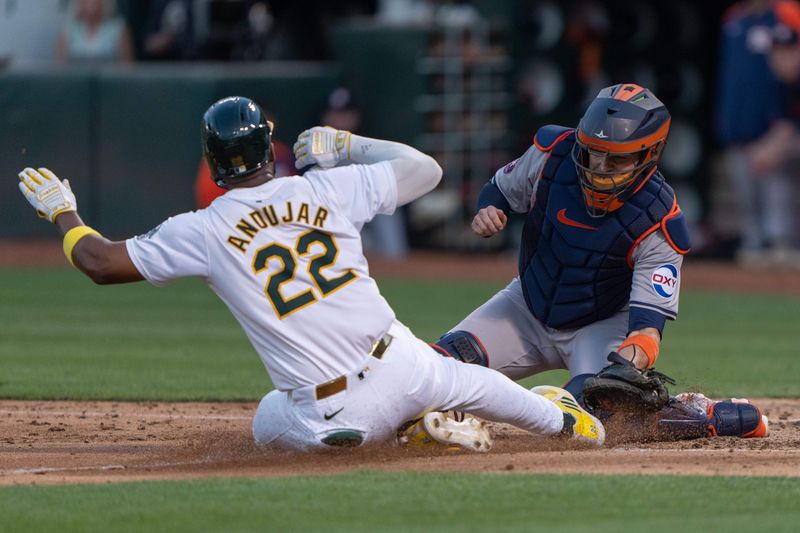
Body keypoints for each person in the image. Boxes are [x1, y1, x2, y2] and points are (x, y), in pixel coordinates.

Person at [16, 96, 605, 452]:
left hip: (336, 413)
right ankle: (568, 425)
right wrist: (349, 144)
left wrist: (63, 212)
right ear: (270, 150)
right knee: (481, 388)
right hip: (405, 361)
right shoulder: (325, 187)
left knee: (266, 421)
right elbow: (425, 171)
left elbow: (98, 262)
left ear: (214, 162)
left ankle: (380, 433)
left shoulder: (202, 229)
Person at [431, 83, 769, 441]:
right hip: (524, 307)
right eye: (594, 153)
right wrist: (490, 209)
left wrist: (627, 365)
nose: (600, 168)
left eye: (617, 159)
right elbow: (500, 189)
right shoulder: (553, 155)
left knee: (592, 416)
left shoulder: (659, 220)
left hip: (601, 323)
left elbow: (647, 328)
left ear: (648, 157)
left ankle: (701, 414)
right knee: (436, 370)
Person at [715, 0, 790, 268]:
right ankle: (755, 245)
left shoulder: (787, 14)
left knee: (780, 193)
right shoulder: (733, 18)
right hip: (738, 125)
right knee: (746, 197)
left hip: (777, 126)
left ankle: (783, 244)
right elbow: (729, 74)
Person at [55, 0, 135, 66]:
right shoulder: (69, 28)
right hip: (75, 83)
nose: (91, 2)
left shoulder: (118, 27)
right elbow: (58, 67)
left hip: (110, 84)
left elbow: (127, 68)